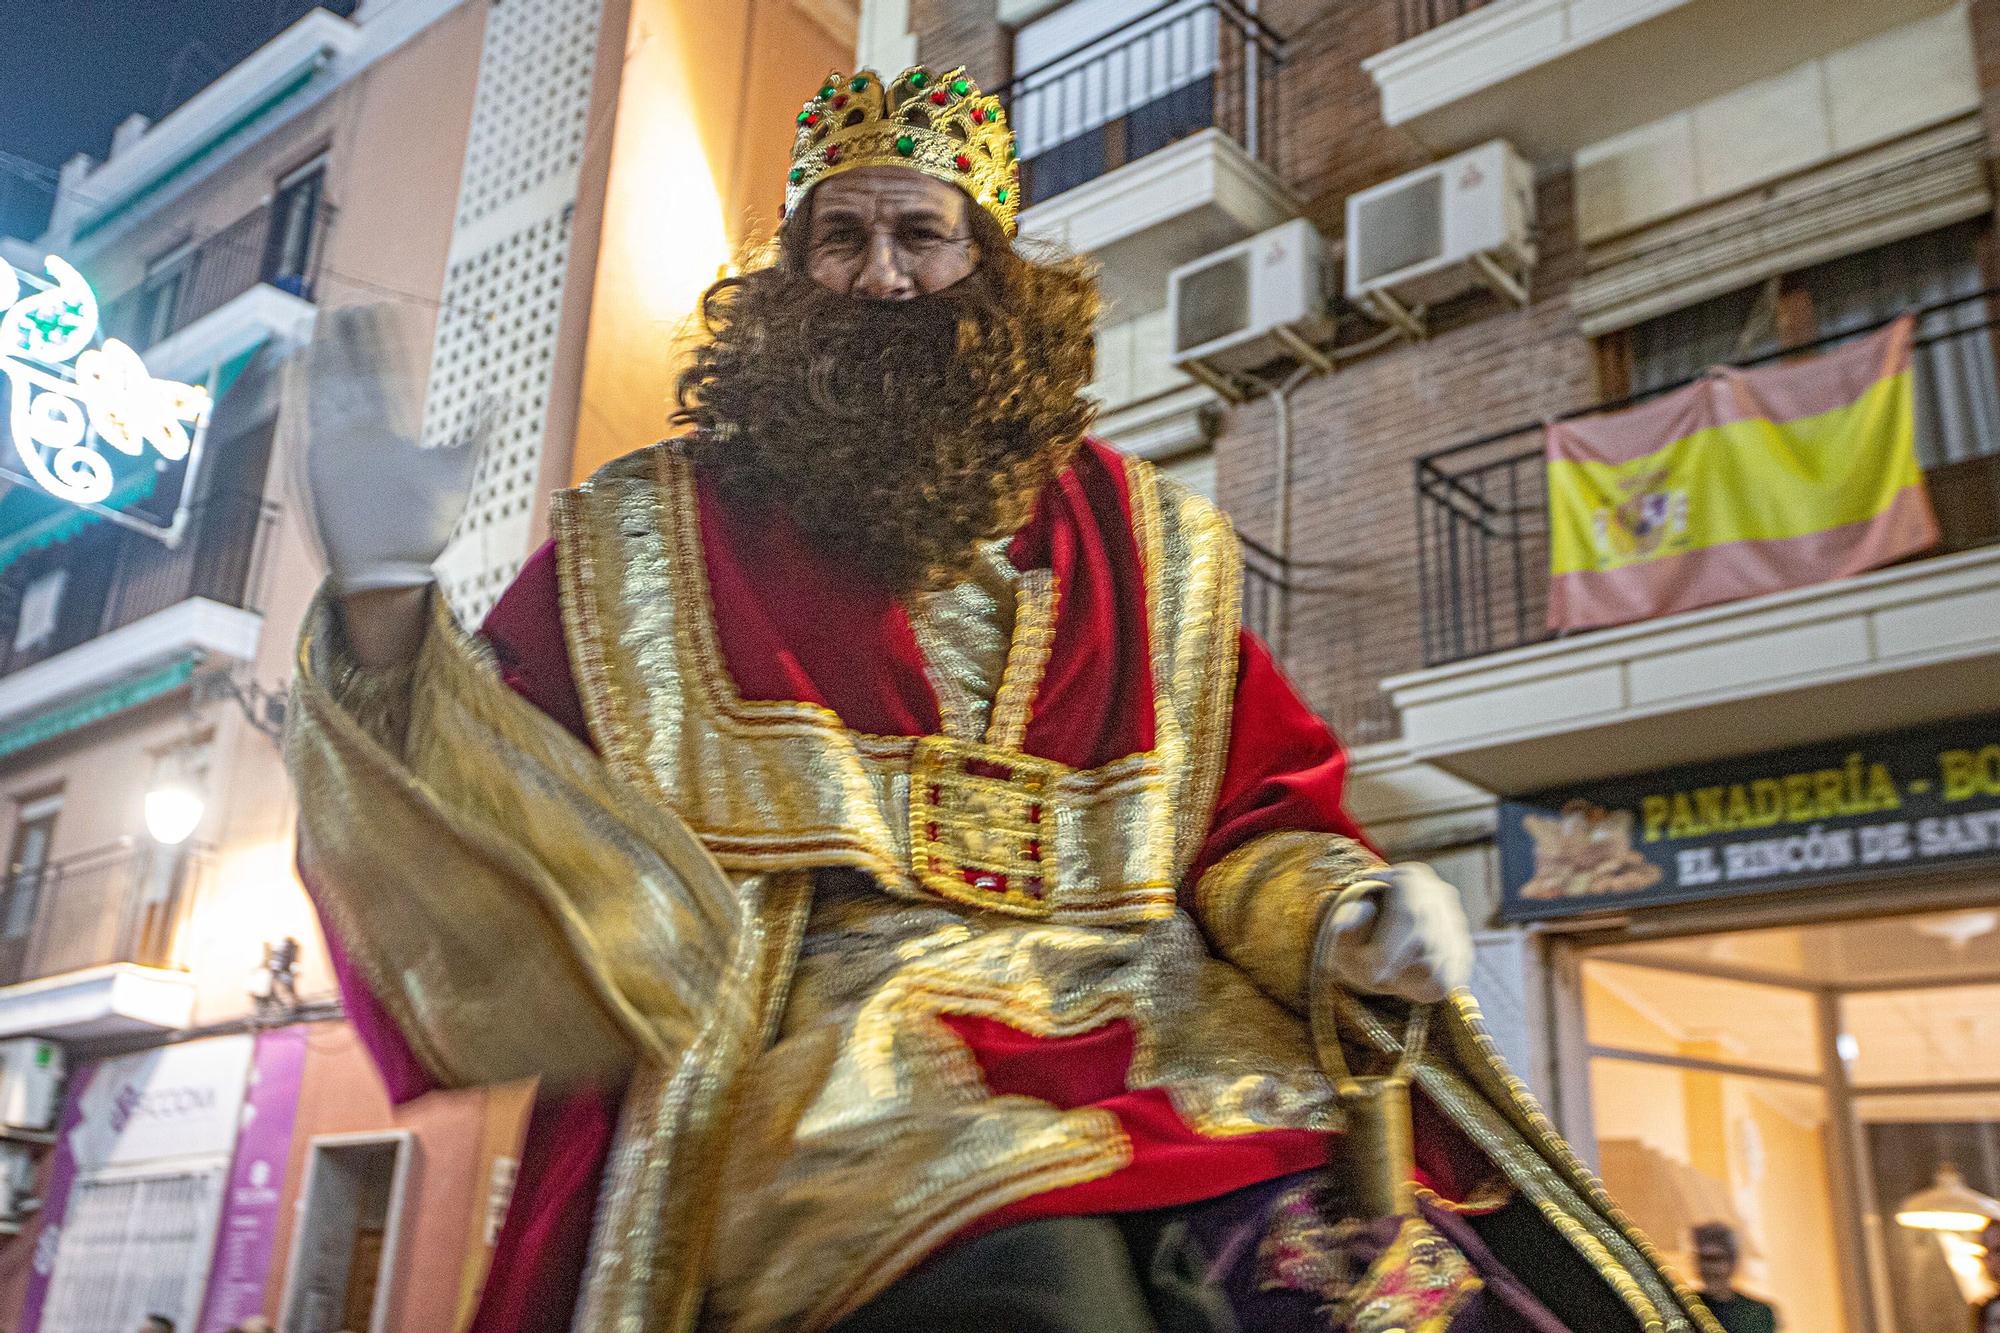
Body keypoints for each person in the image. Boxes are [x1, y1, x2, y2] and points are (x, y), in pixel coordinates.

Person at [285, 63, 1718, 1332]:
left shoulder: (1154, 539)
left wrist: (1348, 916)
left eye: (922, 234)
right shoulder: (643, 539)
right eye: (839, 238)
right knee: (1031, 1287)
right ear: (790, 280)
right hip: (839, 1044)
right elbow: (503, 825)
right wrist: (386, 601)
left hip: (1165, 1023)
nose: (885, 276)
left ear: (990, 268)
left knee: (1388, 1282)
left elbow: (1252, 822)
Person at [1691, 1222, 1777, 1332]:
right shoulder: (1684, 1307)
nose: (1708, 1268)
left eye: (1715, 1259)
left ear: (1732, 1262)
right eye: (1702, 1259)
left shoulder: (1758, 1314)